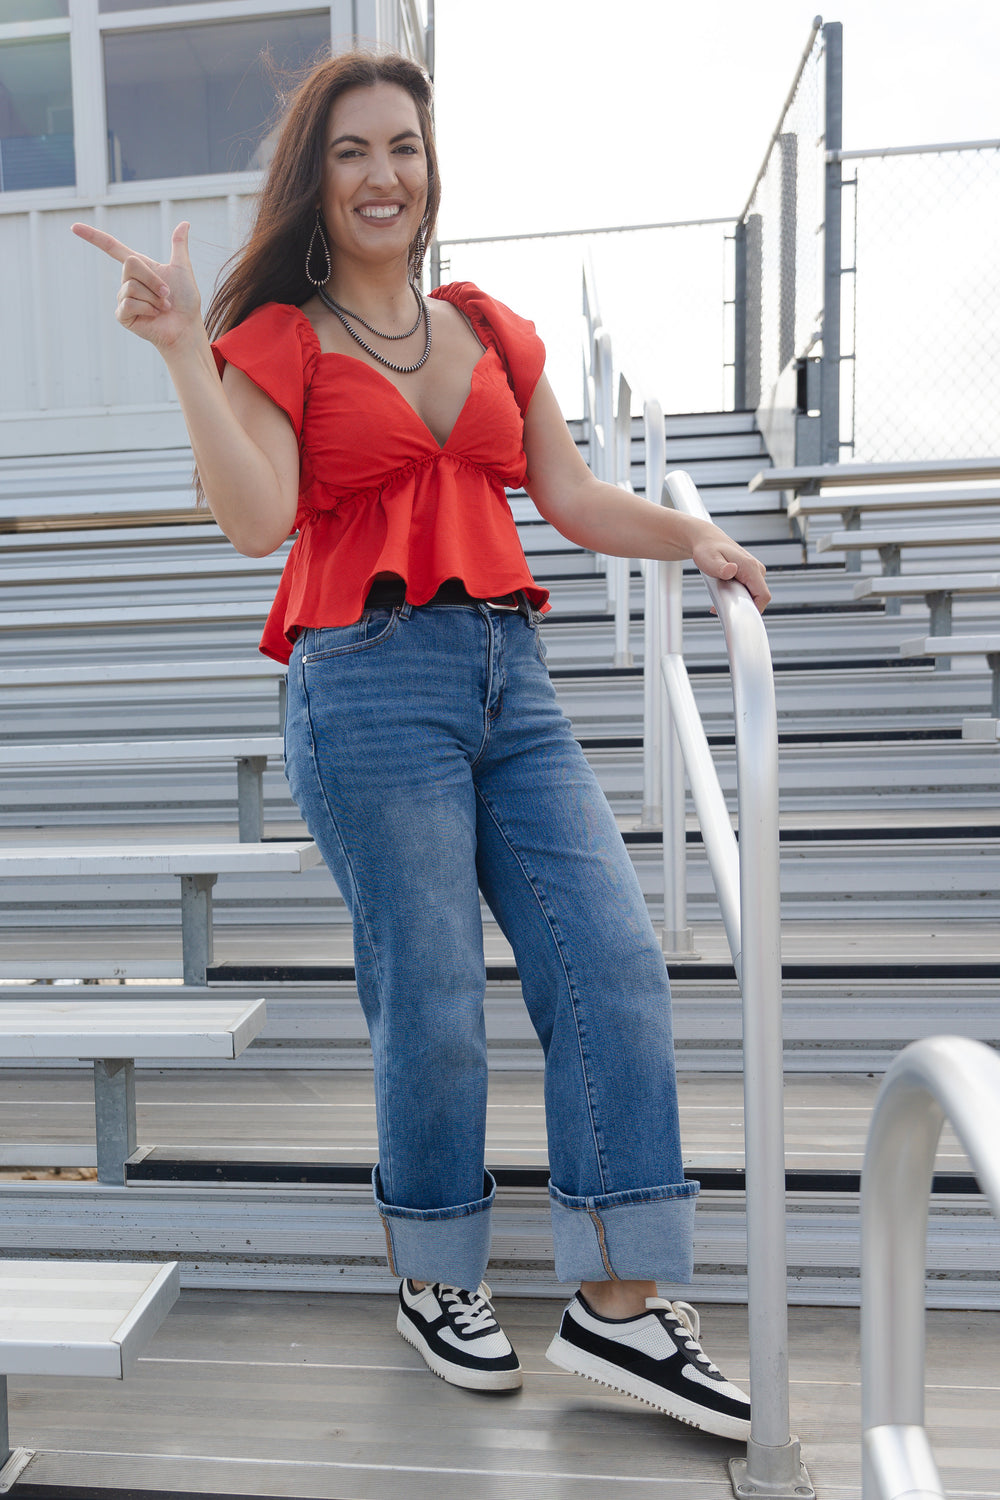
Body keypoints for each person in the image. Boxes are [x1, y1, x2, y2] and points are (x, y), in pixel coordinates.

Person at [73, 50, 769, 1443]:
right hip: (369, 679)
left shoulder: (491, 330)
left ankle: (618, 1305)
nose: (385, 172)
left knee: (615, 959)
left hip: (514, 675)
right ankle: (436, 1273)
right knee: (435, 992)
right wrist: (176, 353)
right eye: (353, 153)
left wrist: (689, 531)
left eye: (404, 145)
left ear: (429, 166)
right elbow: (257, 516)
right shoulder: (277, 333)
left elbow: (567, 495)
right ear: (316, 184)